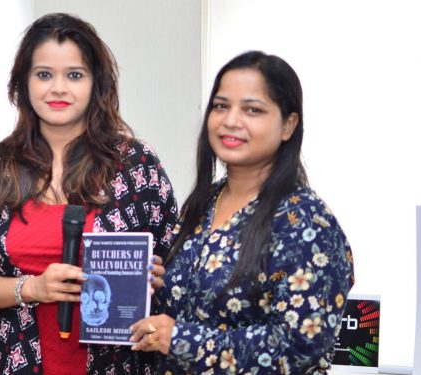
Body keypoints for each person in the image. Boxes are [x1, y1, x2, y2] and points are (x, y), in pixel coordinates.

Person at [0, 13, 180, 375]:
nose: (58, 88)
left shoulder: (136, 165)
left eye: (74, 75)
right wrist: (33, 288)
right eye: (44, 74)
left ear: (96, 84)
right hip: (14, 360)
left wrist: (159, 276)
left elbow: (177, 268)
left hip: (113, 363)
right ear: (22, 84)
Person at [128, 51, 355, 374]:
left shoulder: (306, 222)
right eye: (221, 106)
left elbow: (297, 346)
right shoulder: (204, 203)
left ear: (288, 125)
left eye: (253, 110)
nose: (231, 120)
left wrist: (181, 339)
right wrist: (152, 284)